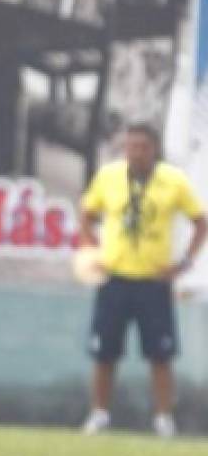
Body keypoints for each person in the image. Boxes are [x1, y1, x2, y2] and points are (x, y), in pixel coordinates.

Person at [79, 122, 205, 437]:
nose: (136, 153)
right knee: (104, 351)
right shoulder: (108, 177)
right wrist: (94, 251)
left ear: (154, 149)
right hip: (115, 278)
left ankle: (163, 419)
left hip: (154, 280)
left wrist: (184, 263)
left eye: (143, 147)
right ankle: (99, 414)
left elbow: (200, 221)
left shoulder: (172, 181)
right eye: (131, 146)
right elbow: (86, 214)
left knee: (160, 354)